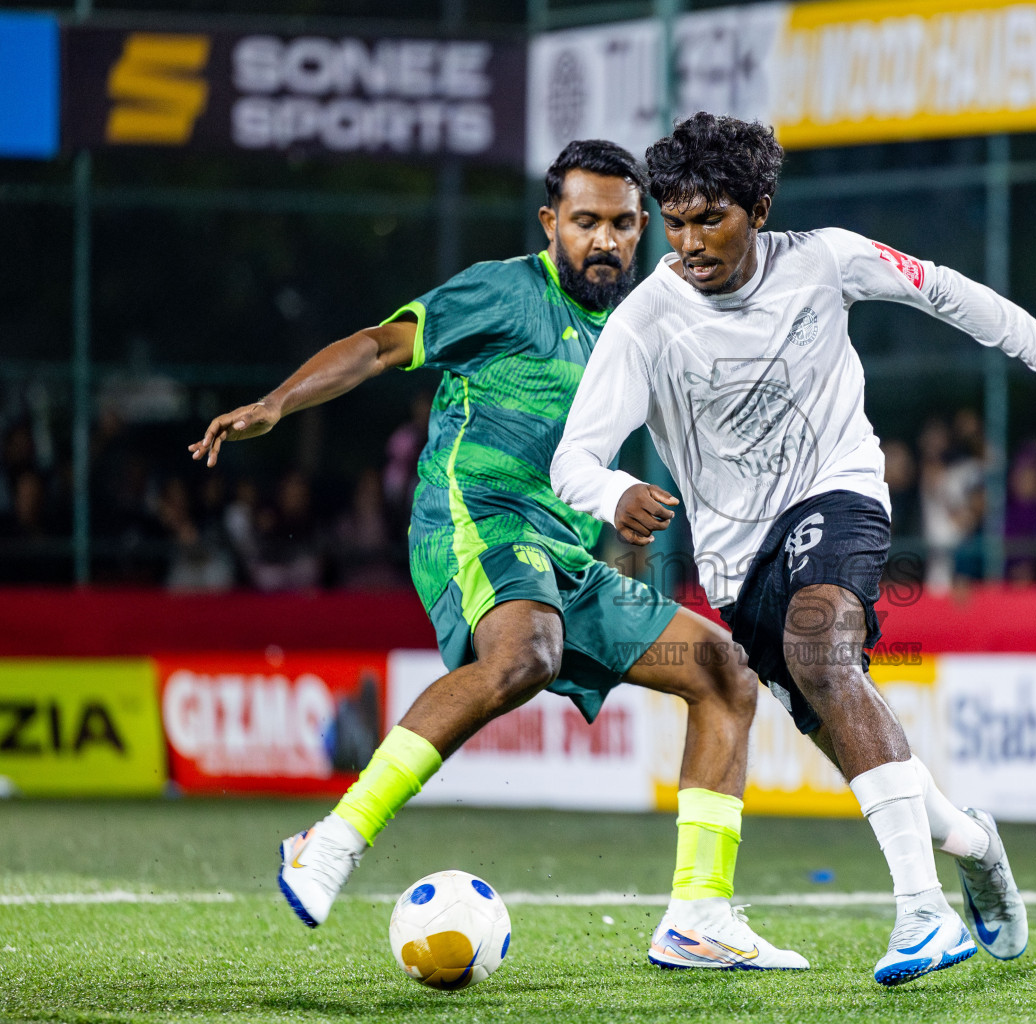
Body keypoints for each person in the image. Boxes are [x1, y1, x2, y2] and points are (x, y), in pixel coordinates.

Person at [551, 113, 1036, 985]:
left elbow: (947, 291)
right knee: (843, 721)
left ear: (759, 208)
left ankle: (922, 914)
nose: (687, 243)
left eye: (709, 218)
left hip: (840, 489)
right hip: (733, 561)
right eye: (673, 222)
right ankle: (972, 843)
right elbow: (572, 457)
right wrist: (615, 493)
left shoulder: (825, 258)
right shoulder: (645, 318)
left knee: (820, 641)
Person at [188, 140, 806, 971]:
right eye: (586, 221)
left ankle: (698, 914)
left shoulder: (648, 323)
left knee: (724, 671)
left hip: (561, 553)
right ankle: (329, 842)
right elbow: (378, 345)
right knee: (527, 655)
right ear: (552, 222)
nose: (607, 241)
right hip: (473, 515)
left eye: (624, 224)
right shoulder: (504, 291)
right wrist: (275, 404)